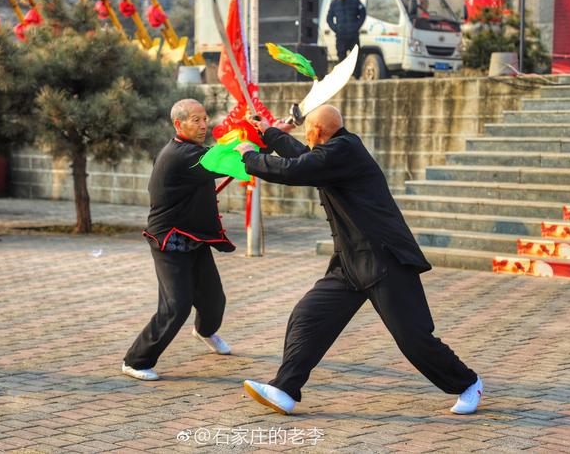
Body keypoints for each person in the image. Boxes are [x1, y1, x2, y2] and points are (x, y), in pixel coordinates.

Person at [234, 105, 482, 415]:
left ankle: (468, 383)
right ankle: (285, 388)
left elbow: (295, 169)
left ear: (318, 132)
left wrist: (249, 156)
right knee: (308, 316)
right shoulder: (333, 151)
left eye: (308, 130)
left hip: (384, 259)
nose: (305, 136)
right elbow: (302, 158)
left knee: (413, 339)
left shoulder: (345, 150)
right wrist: (268, 133)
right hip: (349, 263)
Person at [122, 99, 234, 381]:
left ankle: (205, 331)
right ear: (178, 124)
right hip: (169, 240)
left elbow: (223, 155)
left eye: (204, 118)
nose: (203, 125)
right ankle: (136, 360)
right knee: (177, 305)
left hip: (193, 237)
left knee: (213, 300)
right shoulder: (179, 154)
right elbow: (226, 161)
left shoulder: (194, 151)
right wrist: (248, 148)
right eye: (195, 120)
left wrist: (267, 134)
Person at [326, 0, 366, 79]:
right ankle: (342, 78)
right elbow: (329, 19)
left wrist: (356, 26)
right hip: (341, 36)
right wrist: (336, 28)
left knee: (355, 56)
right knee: (341, 57)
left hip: (353, 35)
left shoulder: (355, 1)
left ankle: (356, 77)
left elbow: (363, 14)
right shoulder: (334, 3)